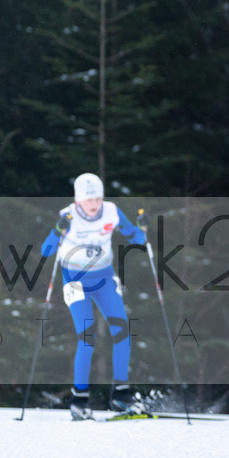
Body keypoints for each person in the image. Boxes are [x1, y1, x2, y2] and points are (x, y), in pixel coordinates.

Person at [40, 173, 147, 421]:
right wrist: (58, 230)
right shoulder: (67, 216)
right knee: (86, 337)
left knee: (122, 332)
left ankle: (122, 395)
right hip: (75, 281)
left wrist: (143, 227)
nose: (94, 204)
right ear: (78, 200)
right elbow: (46, 250)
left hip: (103, 280)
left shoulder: (112, 211)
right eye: (89, 200)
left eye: (98, 198)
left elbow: (137, 238)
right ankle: (79, 398)